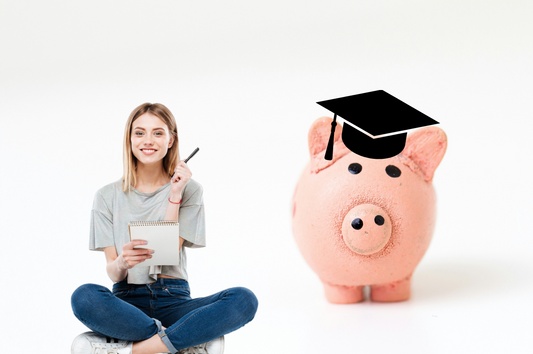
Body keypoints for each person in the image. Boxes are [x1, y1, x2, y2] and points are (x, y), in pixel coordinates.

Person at [70, 103, 258, 354]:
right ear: (129, 139)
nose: (148, 140)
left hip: (174, 299)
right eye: (140, 133)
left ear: (171, 140)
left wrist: (175, 194)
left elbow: (165, 252)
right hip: (127, 303)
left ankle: (133, 350)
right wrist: (123, 262)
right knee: (83, 296)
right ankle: (185, 340)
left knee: (244, 300)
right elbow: (113, 273)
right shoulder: (106, 196)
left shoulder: (190, 189)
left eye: (158, 133)